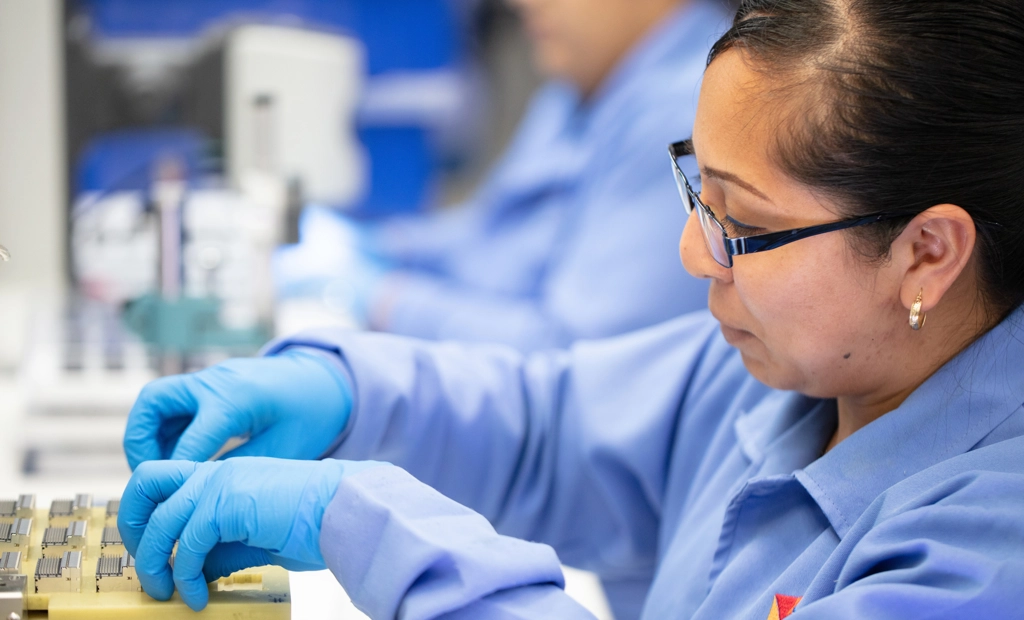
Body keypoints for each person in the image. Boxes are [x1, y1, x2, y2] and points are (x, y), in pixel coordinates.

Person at [119, 1, 1024, 618]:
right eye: (697, 196)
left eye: (743, 223)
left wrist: (364, 522)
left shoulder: (985, 552)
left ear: (928, 253)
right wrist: (343, 390)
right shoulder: (791, 372)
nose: (694, 254)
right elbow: (548, 427)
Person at [273, 0, 731, 352]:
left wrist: (377, 295)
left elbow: (575, 357)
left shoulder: (692, 106)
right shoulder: (579, 88)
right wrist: (377, 245)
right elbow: (486, 236)